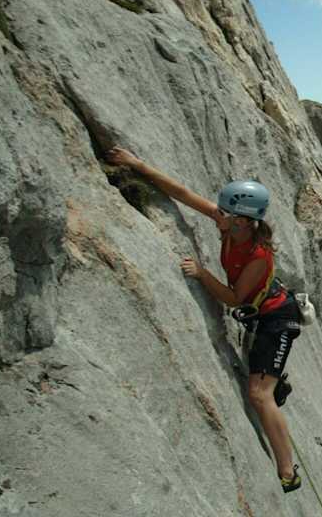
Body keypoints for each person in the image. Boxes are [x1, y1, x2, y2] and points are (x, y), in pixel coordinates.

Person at [106, 147, 303, 493]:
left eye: (224, 212)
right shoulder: (231, 227)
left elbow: (233, 298)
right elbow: (182, 194)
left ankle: (288, 471)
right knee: (259, 385)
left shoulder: (258, 254)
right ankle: (274, 381)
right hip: (263, 316)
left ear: (242, 219)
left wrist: (200, 273)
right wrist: (138, 165)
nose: (218, 214)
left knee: (259, 395)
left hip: (277, 319)